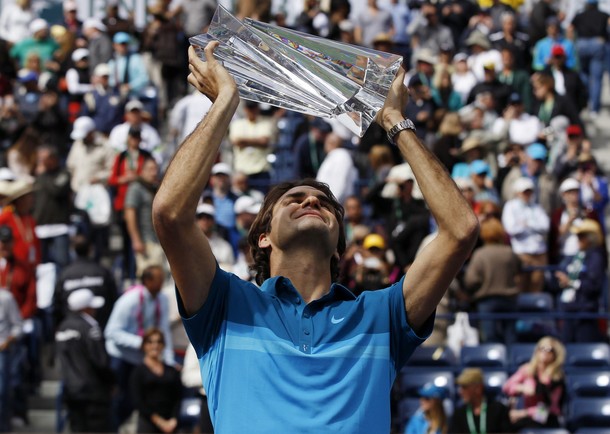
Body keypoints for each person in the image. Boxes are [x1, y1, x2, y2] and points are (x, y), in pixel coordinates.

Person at [152, 42, 479, 432]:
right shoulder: (223, 304)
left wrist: (394, 120)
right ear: (263, 238)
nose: (311, 200)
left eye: (324, 204)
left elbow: (460, 230)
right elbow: (170, 214)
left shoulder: (381, 316)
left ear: (338, 245)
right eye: (295, 199)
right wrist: (225, 102)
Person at [104, 264, 175, 430]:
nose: (162, 283)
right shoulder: (129, 300)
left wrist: (168, 358)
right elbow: (111, 332)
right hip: (121, 356)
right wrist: (140, 343)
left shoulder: (162, 299)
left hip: (141, 358)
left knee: (136, 399)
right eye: (158, 279)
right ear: (147, 281)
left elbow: (163, 329)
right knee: (119, 399)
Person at [55, 288, 114, 433]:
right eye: (92, 306)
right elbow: (100, 361)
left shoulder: (62, 327)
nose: (95, 310)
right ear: (85, 308)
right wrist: (112, 381)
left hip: (71, 391)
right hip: (94, 393)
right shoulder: (90, 327)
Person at [464, 217, 521, 343]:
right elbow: (519, 270)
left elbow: (471, 280)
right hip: (509, 299)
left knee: (490, 337)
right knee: (511, 337)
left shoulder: (480, 254)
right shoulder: (509, 252)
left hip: (487, 300)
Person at [555, 219, 606, 342]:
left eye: (581, 236)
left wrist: (571, 283)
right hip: (569, 308)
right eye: (578, 236)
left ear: (590, 238)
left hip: (584, 311)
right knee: (565, 343)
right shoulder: (576, 256)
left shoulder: (595, 257)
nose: (578, 240)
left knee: (583, 344)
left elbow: (594, 285)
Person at [53, 234, 118, 330]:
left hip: (74, 329)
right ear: (91, 249)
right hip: (99, 327)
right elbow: (114, 299)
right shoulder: (102, 271)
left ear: (73, 250)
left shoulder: (65, 274)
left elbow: (56, 305)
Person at [503, 336, 566, 429]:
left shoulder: (557, 378)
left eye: (549, 349)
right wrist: (522, 388)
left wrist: (522, 413)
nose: (544, 352)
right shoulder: (527, 370)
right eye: (541, 348)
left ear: (555, 354)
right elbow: (506, 387)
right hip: (527, 417)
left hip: (547, 418)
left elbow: (548, 408)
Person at [129, 327, 182, 434]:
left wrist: (174, 419)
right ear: (144, 345)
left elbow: (178, 396)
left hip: (171, 424)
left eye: (159, 342)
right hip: (148, 423)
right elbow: (138, 401)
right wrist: (159, 421)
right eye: (150, 342)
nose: (155, 345)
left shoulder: (171, 370)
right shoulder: (138, 371)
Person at [450, 368, 514, 433]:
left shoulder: (498, 410)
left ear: (478, 388)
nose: (460, 392)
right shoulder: (459, 414)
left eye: (464, 387)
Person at [0, 282, 22, 432]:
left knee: (2, 391)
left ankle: (3, 427)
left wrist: (8, 340)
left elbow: (18, 325)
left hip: (2, 350)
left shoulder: (6, 298)